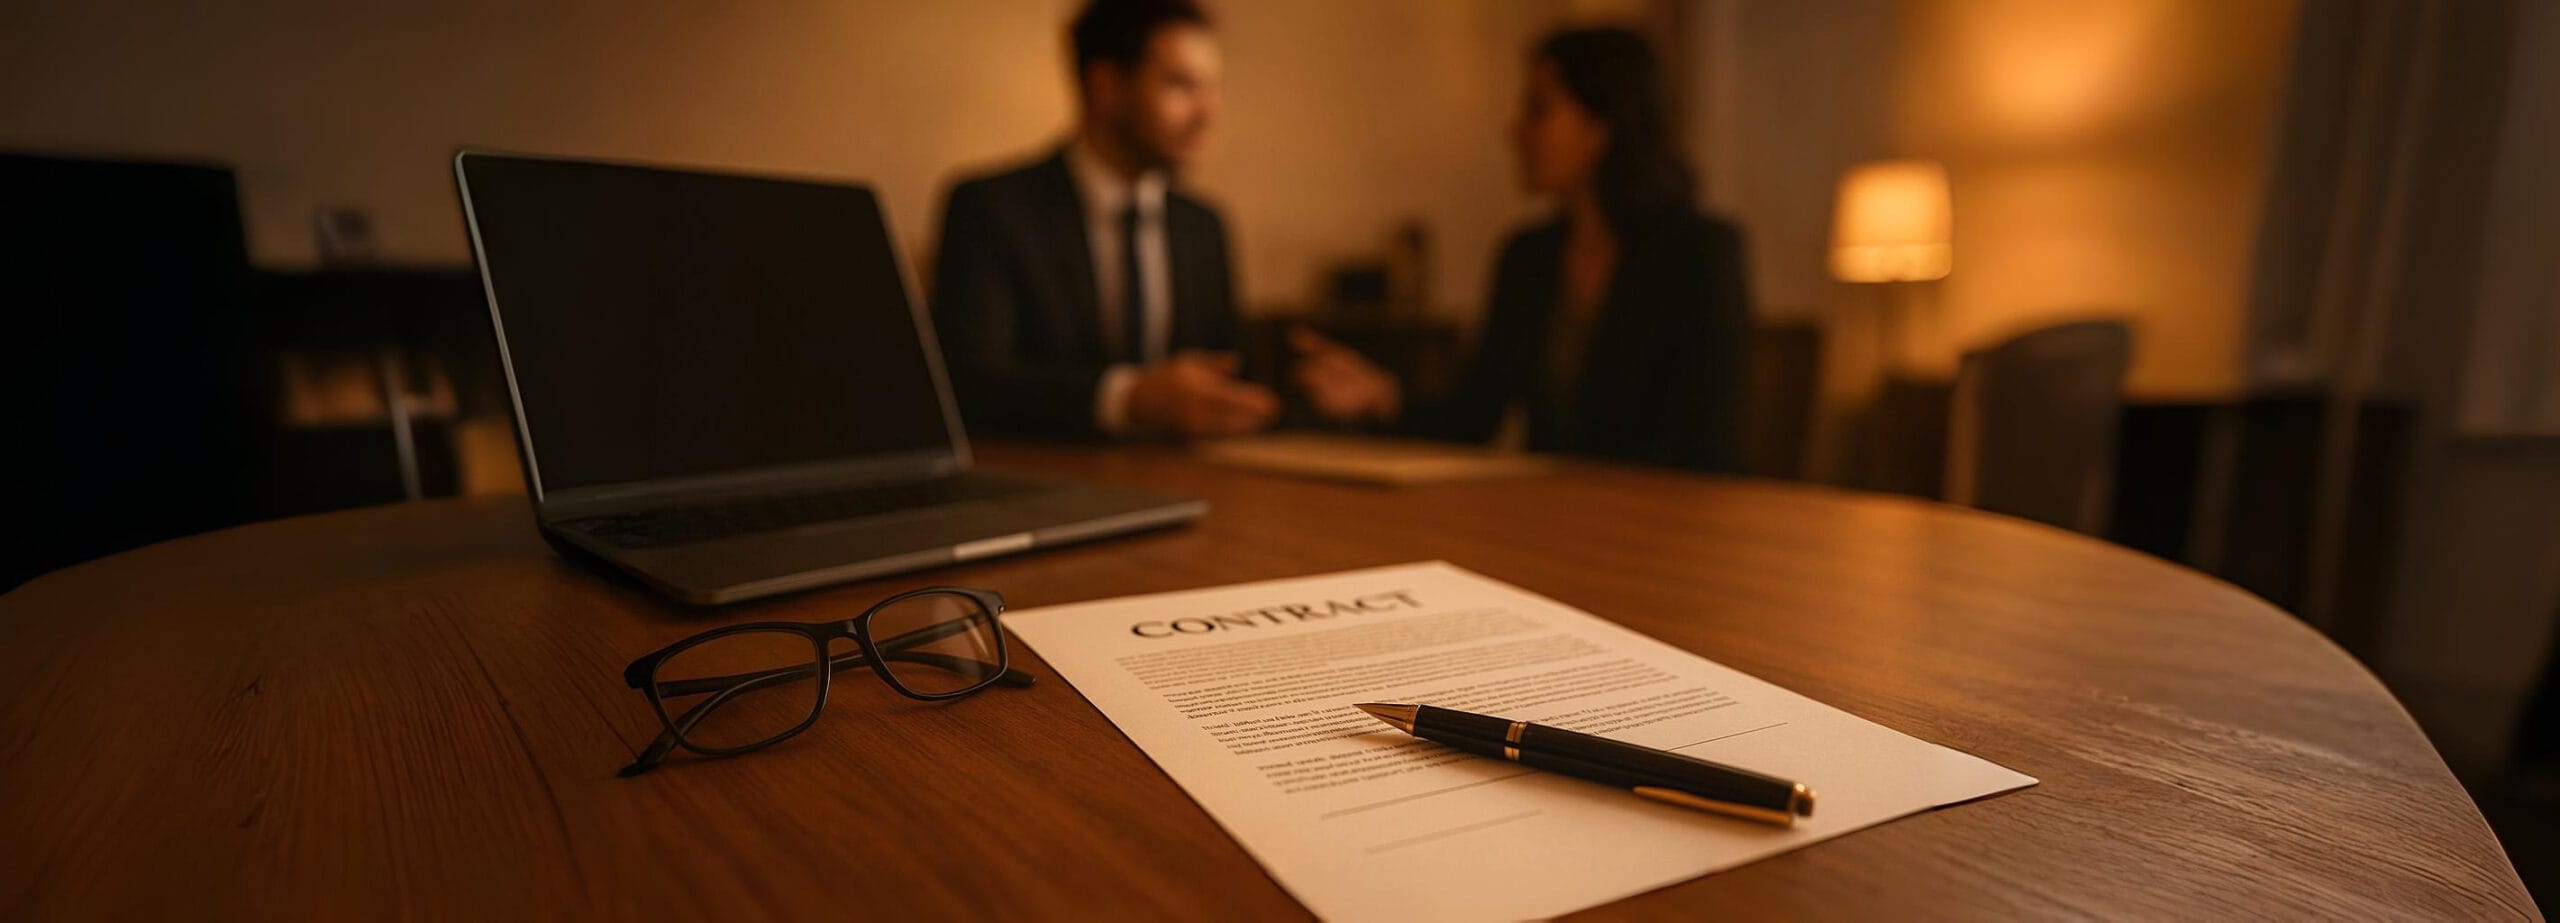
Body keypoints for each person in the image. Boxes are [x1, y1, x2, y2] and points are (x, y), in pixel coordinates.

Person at [1298, 27, 1755, 473]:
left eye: (1538, 110)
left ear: (1601, 126)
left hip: (1660, 531)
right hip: (1552, 521)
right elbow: (1475, 415)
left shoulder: (1702, 251)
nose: (1514, 130)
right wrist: (1383, 395)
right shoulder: (1527, 255)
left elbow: (1706, 450)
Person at [930, 0, 1280, 441]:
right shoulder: (992, 208)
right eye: (1180, 84)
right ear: (1107, 87)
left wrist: (1310, 395)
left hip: (1192, 484)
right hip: (1046, 487)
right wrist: (1129, 400)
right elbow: (970, 385)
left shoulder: (1202, 226)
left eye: (1213, 87)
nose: (1208, 112)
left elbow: (1231, 376)